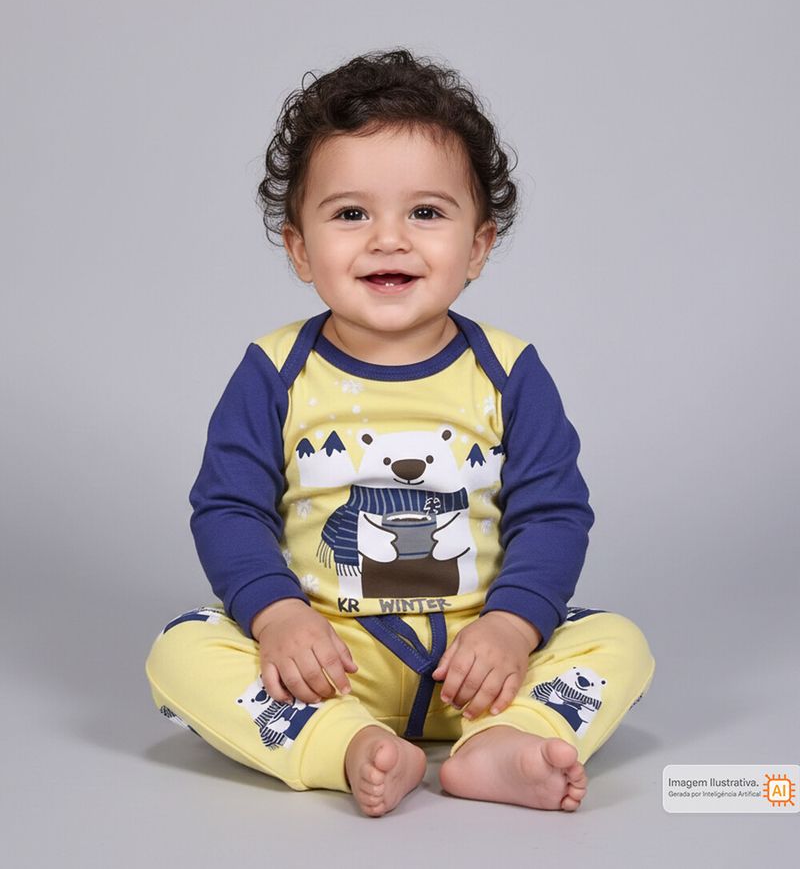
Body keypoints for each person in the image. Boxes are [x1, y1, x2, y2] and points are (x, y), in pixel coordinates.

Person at [145, 48, 655, 817]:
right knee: (179, 651)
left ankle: (504, 741)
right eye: (351, 214)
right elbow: (229, 508)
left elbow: (552, 514)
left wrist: (513, 629)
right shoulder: (274, 370)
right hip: (327, 663)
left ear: (477, 246)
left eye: (426, 212)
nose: (389, 238)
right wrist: (278, 616)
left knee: (618, 642)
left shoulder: (508, 371)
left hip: (480, 666)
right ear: (299, 248)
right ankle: (345, 744)